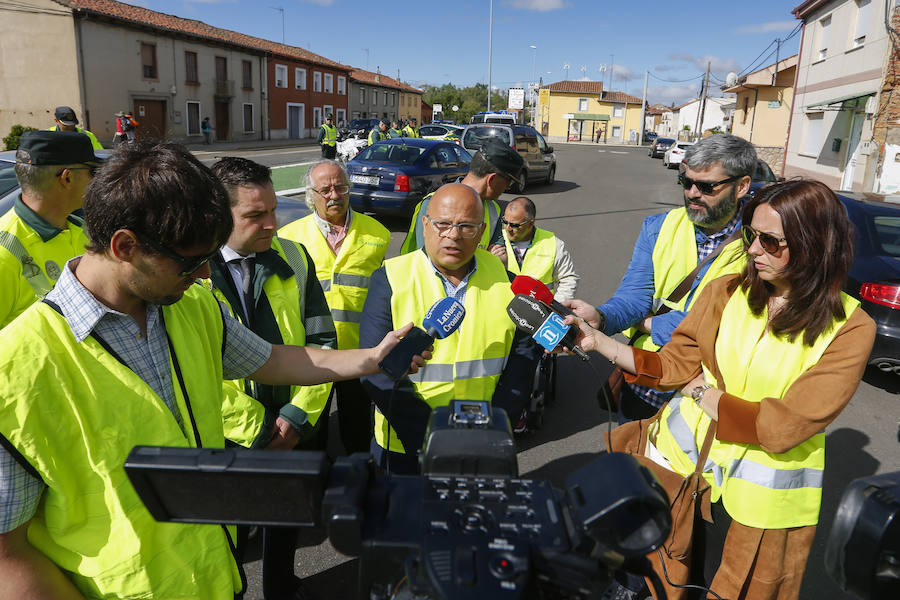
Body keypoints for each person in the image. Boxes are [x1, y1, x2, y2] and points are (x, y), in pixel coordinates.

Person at [0, 141, 428, 600]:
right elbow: (8, 557)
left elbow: (273, 358)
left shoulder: (191, 305)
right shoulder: (17, 369)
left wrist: (368, 358)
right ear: (125, 246)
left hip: (217, 580)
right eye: (189, 262)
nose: (206, 273)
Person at [565, 179, 875, 600]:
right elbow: (675, 362)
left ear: (816, 244)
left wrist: (701, 394)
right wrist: (599, 342)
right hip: (678, 471)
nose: (753, 249)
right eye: (751, 234)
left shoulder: (852, 329)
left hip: (752, 507)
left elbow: (784, 426)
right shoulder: (727, 290)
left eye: (771, 241)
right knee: (655, 578)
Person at [208, 157, 336, 599]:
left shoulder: (295, 257)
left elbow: (322, 341)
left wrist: (297, 417)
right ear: (217, 215)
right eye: (255, 215)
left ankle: (282, 588)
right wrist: (259, 428)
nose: (272, 224)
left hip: (294, 427)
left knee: (287, 519)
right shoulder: (190, 271)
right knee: (229, 536)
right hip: (225, 435)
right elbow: (189, 365)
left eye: (273, 211)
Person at [566, 134, 756, 423]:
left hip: (708, 399)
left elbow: (727, 330)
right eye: (686, 182)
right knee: (629, 464)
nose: (692, 192)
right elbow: (635, 297)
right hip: (646, 386)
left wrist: (649, 323)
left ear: (741, 186)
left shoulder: (763, 244)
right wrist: (601, 318)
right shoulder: (658, 228)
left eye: (706, 186)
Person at [360, 183, 541, 474]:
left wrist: (492, 425)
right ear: (425, 225)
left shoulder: (508, 282)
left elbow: (523, 359)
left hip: (483, 440)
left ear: (482, 232)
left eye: (466, 227)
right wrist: (431, 439)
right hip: (405, 445)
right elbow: (374, 370)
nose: (453, 236)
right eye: (443, 224)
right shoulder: (391, 278)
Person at [279, 160, 390, 454]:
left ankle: (357, 484)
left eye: (340, 187)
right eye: (325, 189)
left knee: (357, 429)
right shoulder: (288, 238)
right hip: (311, 353)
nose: (333, 195)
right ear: (310, 195)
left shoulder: (378, 234)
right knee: (310, 431)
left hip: (359, 351)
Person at [0, 130, 102, 328]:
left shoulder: (85, 230)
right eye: (92, 172)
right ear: (67, 178)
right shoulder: (4, 254)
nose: (95, 181)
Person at [400, 137, 523, 254]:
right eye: (509, 181)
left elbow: (500, 253)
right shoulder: (435, 203)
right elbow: (430, 259)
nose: (508, 187)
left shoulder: (494, 210)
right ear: (492, 179)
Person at [488, 196, 579, 301]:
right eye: (504, 221)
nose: (508, 228)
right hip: (503, 310)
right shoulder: (495, 240)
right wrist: (491, 261)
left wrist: (556, 307)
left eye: (514, 225)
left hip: (539, 313)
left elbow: (569, 279)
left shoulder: (553, 243)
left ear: (530, 223)